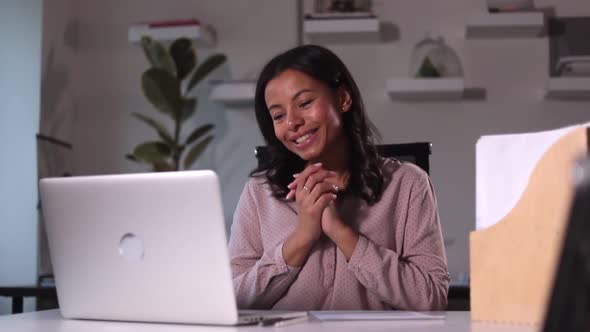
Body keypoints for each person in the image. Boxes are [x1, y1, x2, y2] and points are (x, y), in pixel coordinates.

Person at [228, 44, 449, 311]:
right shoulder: (258, 192)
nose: (292, 123)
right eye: (278, 115)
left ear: (343, 99)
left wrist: (342, 233)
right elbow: (232, 299)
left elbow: (431, 299)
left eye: (305, 103)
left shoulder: (408, 184)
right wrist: (302, 237)